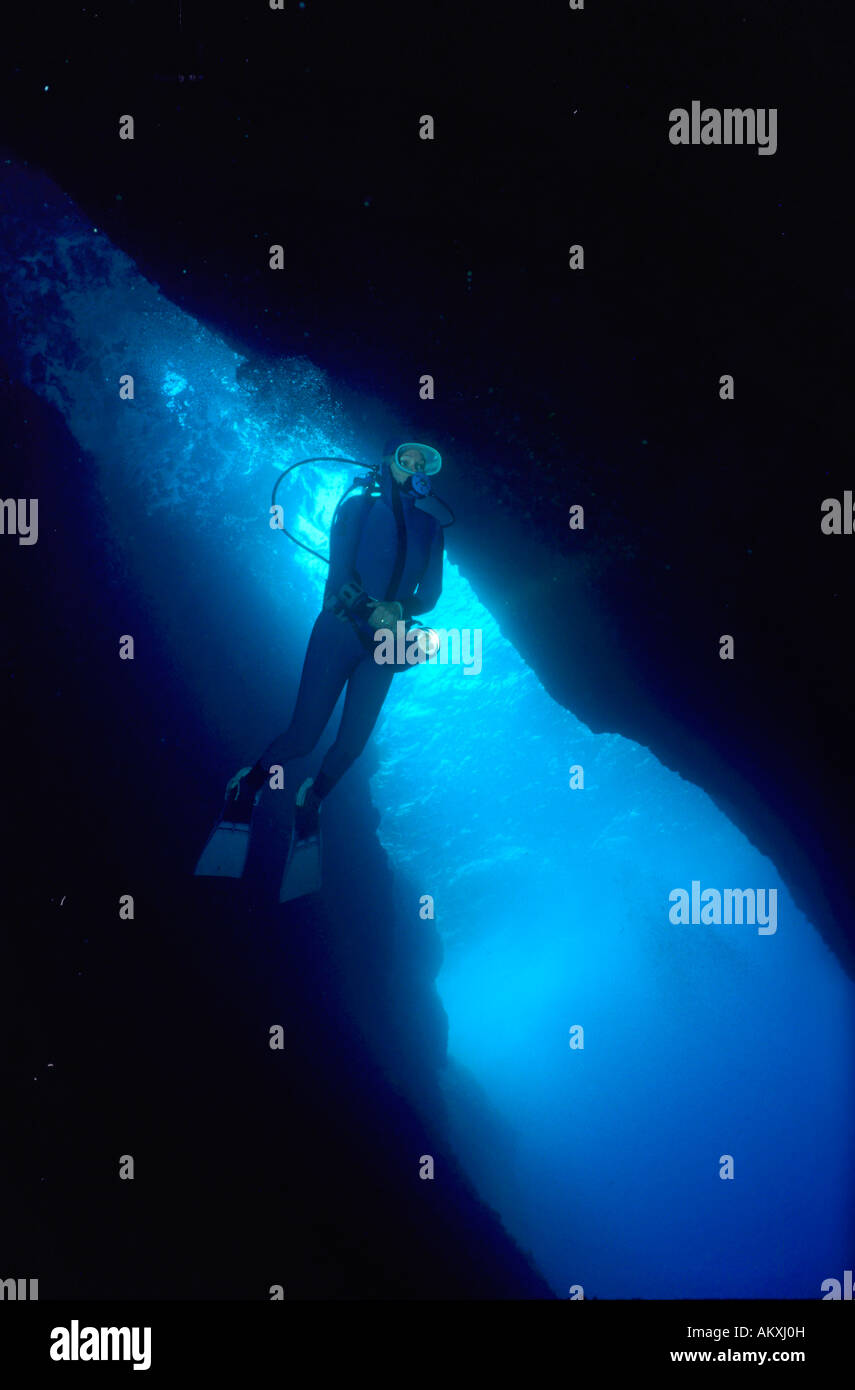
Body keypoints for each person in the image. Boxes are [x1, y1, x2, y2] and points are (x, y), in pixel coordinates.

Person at [220, 440, 444, 848]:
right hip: (338, 631)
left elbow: (429, 596)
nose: (414, 469)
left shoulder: (432, 528)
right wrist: (368, 608)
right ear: (387, 464)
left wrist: (398, 610)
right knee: (303, 737)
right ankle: (248, 785)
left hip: (386, 646)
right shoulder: (357, 508)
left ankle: (313, 798)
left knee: (352, 745)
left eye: (421, 464)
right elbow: (338, 576)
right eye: (405, 460)